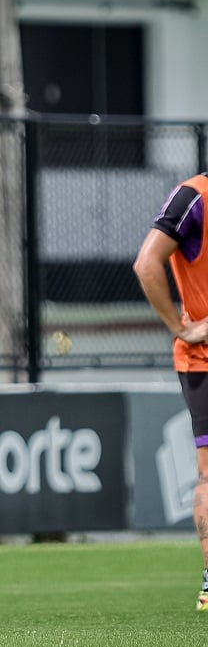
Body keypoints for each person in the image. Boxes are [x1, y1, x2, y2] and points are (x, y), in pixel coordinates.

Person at [134, 172, 208, 612]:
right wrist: (182, 329)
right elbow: (146, 263)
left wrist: (183, 330)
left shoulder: (195, 195)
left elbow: (146, 263)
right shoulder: (194, 196)